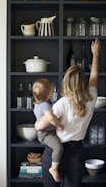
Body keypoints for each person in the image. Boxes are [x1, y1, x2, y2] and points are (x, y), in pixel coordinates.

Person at [35, 38, 101, 187]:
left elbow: (40, 127)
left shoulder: (62, 103)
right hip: (76, 154)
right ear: (83, 82)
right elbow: (94, 78)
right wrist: (95, 55)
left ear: (66, 82)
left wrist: (38, 121)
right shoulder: (91, 97)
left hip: (54, 153)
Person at [33, 78, 64, 183]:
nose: (53, 91)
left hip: (46, 132)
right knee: (58, 147)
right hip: (45, 134)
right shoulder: (45, 105)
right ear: (47, 92)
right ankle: (53, 168)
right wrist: (58, 125)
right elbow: (50, 118)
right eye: (51, 89)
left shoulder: (39, 104)